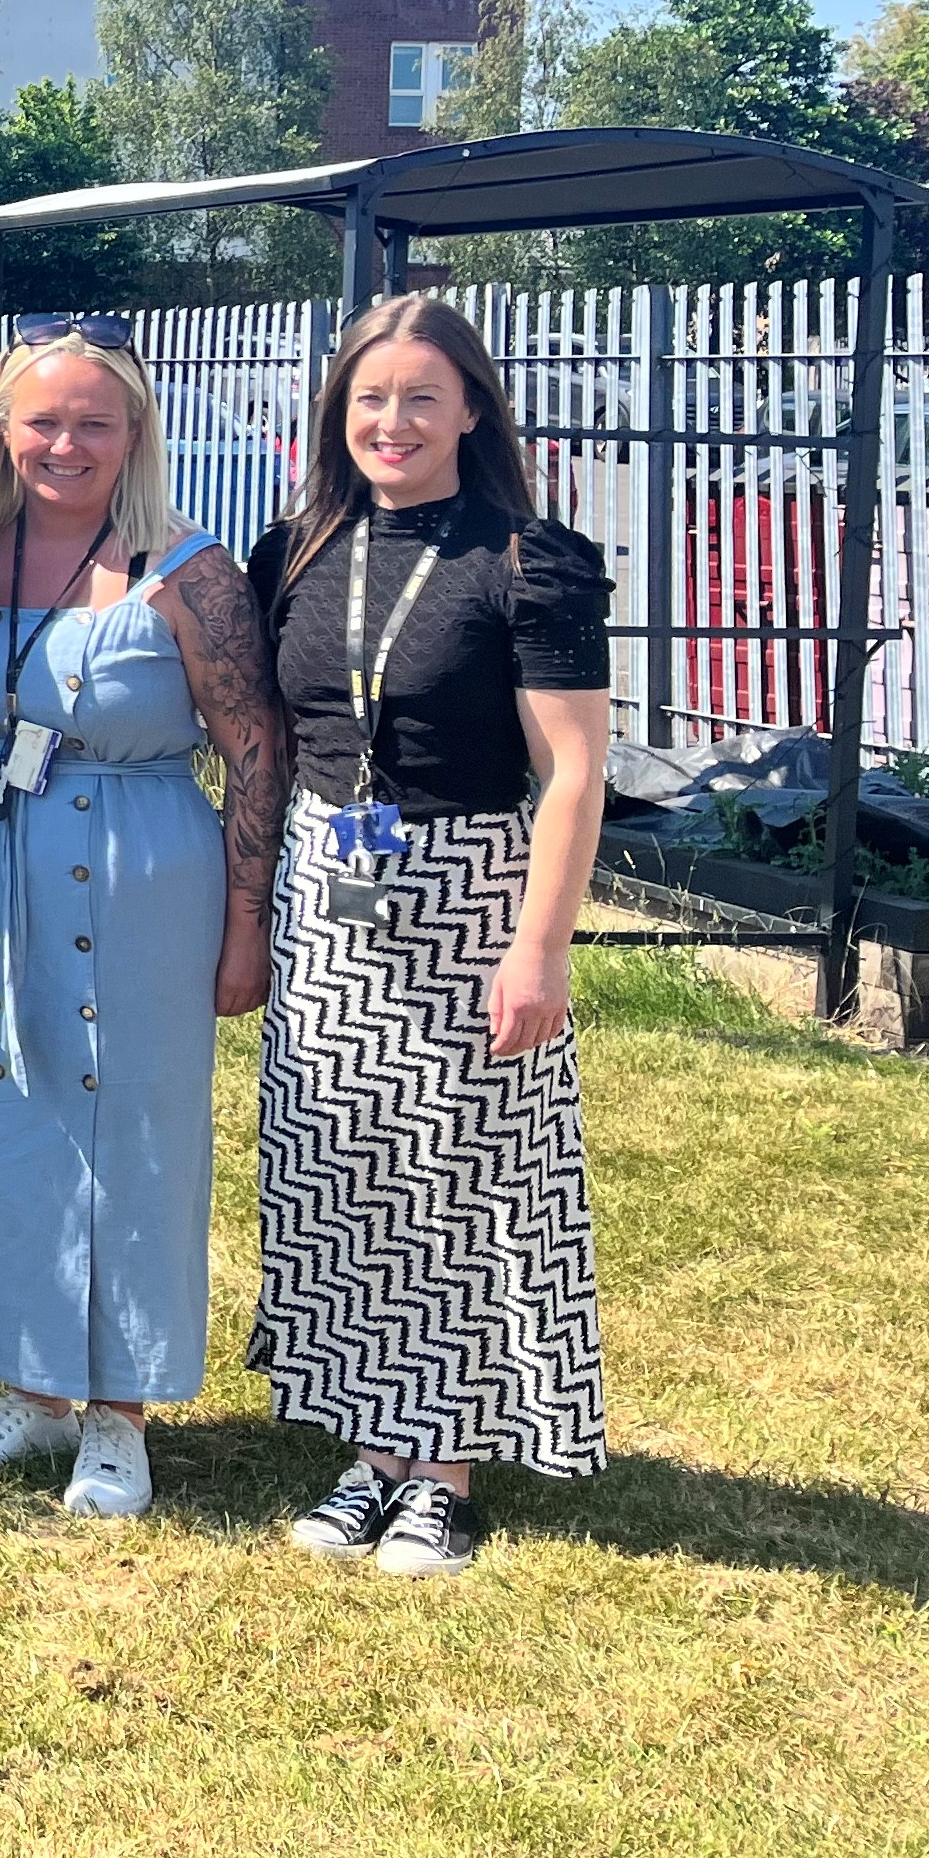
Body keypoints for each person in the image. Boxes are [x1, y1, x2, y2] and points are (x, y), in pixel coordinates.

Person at [0, 319, 288, 1519]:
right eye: (43, 420)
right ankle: (29, 1384)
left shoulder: (186, 571)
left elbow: (256, 749)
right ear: (5, 426)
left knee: (132, 1136)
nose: (65, 444)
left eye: (93, 423)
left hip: (138, 874)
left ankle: (119, 1413)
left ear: (134, 434)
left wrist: (244, 917)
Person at [244, 294, 612, 1578]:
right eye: (368, 401)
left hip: (467, 893)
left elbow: (573, 773)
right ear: (338, 419)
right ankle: (364, 1448)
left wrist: (540, 948)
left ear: (470, 409)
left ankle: (442, 1467)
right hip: (325, 888)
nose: (391, 423)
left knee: (461, 1186)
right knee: (345, 1175)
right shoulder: (291, 553)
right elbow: (271, 742)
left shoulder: (529, 560)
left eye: (418, 398)